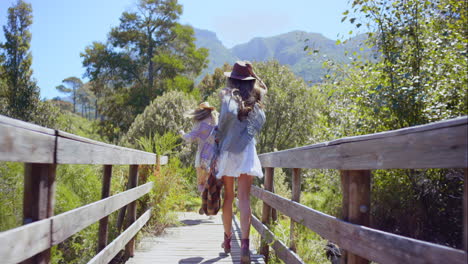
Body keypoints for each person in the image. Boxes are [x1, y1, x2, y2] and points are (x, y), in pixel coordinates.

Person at [215, 61, 267, 263]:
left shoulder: (228, 99)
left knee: (229, 197)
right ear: (250, 81)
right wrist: (255, 74)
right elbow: (257, 126)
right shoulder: (256, 100)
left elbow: (221, 127)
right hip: (246, 152)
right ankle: (244, 245)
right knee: (244, 198)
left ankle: (227, 241)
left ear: (232, 79)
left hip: (229, 151)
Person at [180, 102, 218, 214]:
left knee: (201, 183)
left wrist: (182, 133)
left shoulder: (200, 123)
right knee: (211, 183)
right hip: (214, 158)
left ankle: (204, 203)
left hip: (201, 157)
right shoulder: (216, 122)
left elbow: (190, 138)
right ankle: (211, 206)